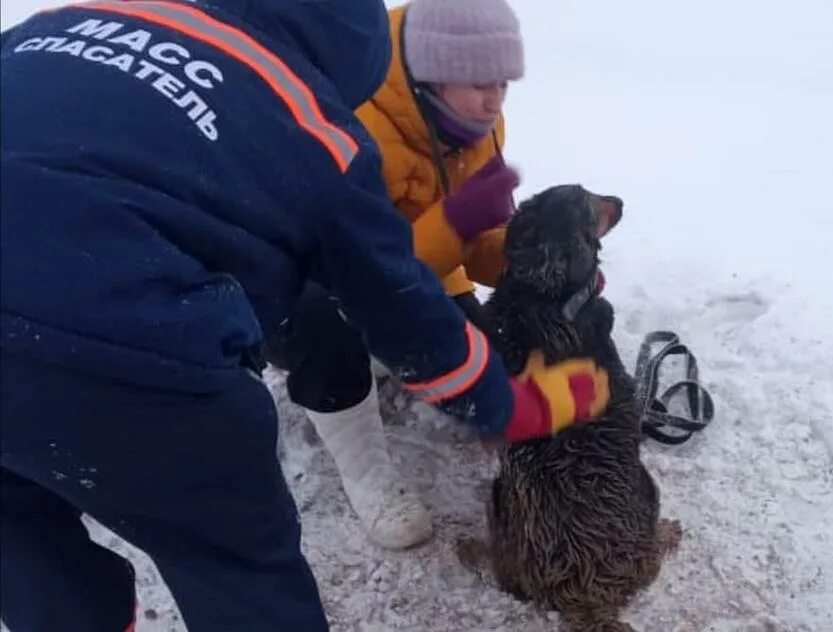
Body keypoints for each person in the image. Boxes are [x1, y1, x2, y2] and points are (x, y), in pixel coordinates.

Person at [0, 1, 609, 630]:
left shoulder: (68, 20)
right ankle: (359, 460)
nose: (492, 98)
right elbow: (397, 300)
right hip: (138, 352)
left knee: (28, 549)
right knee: (236, 567)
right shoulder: (316, 125)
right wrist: (509, 405)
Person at [265, 0, 525, 550]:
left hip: (416, 265)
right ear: (432, 73)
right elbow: (356, 268)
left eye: (504, 81)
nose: (495, 98)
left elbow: (475, 249)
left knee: (485, 361)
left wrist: (535, 266)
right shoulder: (355, 121)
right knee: (323, 327)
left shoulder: (481, 123)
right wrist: (455, 221)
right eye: (480, 81)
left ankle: (386, 354)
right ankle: (365, 471)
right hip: (310, 276)